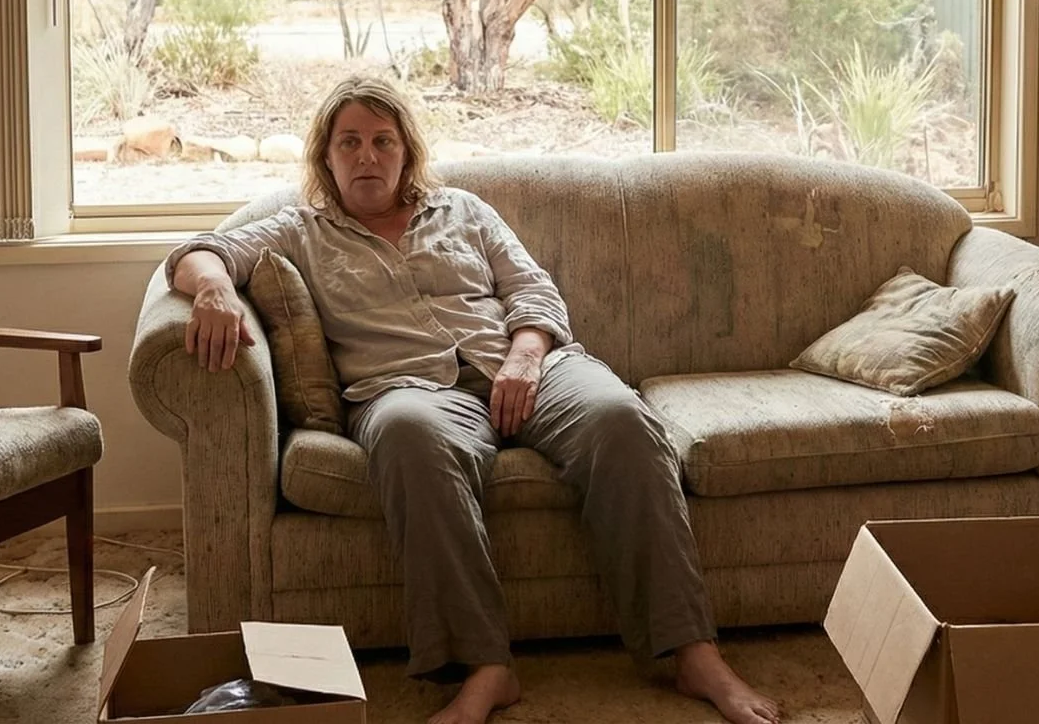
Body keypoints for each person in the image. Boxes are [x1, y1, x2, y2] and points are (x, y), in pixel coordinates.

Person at [166, 75, 780, 724]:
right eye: (350, 142)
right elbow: (199, 253)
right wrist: (212, 290)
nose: (367, 156)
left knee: (623, 419)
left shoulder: (464, 210)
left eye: (383, 141)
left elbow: (534, 292)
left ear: (407, 153)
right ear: (327, 156)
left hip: (530, 367)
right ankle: (486, 667)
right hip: (408, 391)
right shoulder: (299, 231)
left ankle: (693, 654)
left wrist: (523, 356)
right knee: (408, 436)